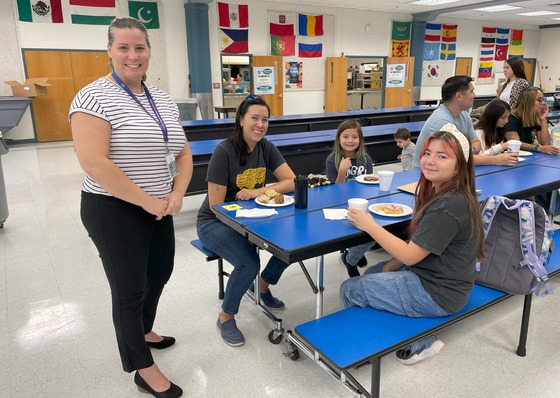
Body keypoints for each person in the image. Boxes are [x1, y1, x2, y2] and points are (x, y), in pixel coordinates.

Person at [69, 17, 192, 398]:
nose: (133, 55)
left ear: (149, 51)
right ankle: (142, 367)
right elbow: (94, 163)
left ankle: (142, 329)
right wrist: (150, 201)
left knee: (160, 272)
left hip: (158, 206)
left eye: (139, 47)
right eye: (123, 47)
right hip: (113, 210)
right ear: (109, 50)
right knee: (129, 291)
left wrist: (177, 193)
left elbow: (183, 152)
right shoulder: (93, 97)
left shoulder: (161, 97)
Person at [342, 126, 484, 365]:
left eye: (442, 156)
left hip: (439, 293)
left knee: (349, 288)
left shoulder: (448, 205)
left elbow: (409, 256)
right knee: (374, 272)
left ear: (459, 165)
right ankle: (405, 327)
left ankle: (399, 345)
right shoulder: (449, 194)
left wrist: (369, 224)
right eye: (428, 153)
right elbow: (417, 245)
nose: (430, 161)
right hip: (443, 280)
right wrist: (389, 266)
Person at [196, 94, 296, 347]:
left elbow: (292, 181)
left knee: (291, 243)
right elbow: (218, 206)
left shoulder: (266, 147)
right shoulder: (224, 152)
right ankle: (226, 316)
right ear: (240, 120)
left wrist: (257, 193)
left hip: (253, 217)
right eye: (254, 118)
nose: (260, 124)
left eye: (265, 119)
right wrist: (247, 223)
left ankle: (261, 287)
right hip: (215, 222)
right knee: (248, 263)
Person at [325, 120, 375, 277]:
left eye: (354, 137)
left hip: (362, 202)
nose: (350, 140)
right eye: (345, 136)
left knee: (375, 231)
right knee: (352, 231)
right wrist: (342, 171)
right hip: (341, 204)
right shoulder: (332, 159)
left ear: (360, 139)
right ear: (339, 139)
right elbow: (335, 190)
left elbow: (369, 182)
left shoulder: (365, 158)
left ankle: (352, 255)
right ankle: (351, 259)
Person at [412, 76, 482, 169]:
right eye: (471, 91)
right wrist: (497, 159)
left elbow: (476, 142)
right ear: (459, 96)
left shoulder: (464, 115)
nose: (475, 95)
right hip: (425, 172)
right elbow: (459, 158)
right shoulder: (441, 121)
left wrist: (469, 151)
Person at [504, 86, 560, 154]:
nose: (543, 103)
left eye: (543, 100)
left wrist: (543, 119)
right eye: (539, 100)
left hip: (529, 156)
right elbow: (515, 143)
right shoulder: (511, 119)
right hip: (509, 156)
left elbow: (545, 144)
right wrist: (538, 148)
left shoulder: (534, 118)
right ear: (528, 102)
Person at [474, 99, 520, 166]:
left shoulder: (498, 130)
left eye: (508, 117)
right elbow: (478, 157)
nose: (506, 121)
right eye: (503, 118)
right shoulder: (479, 132)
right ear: (493, 116)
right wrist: (501, 147)